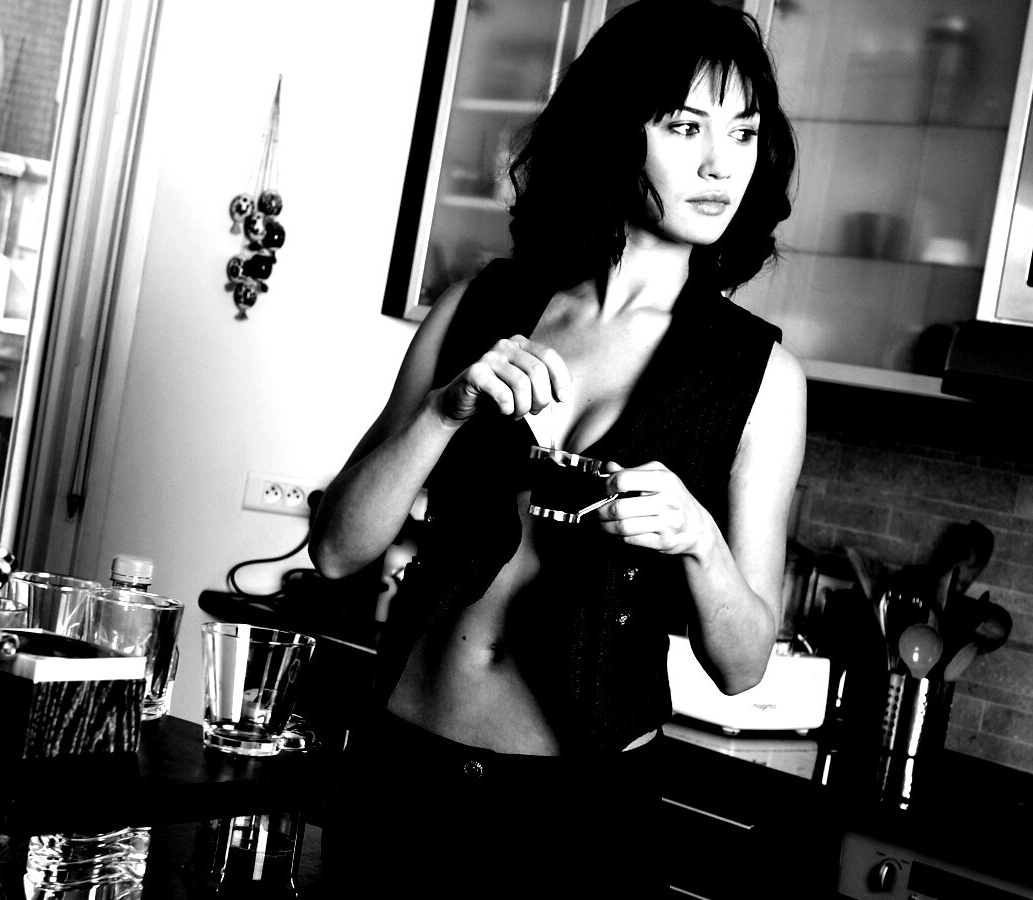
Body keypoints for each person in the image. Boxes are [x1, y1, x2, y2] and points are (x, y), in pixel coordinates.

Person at [309, 0, 803, 895]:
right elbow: (340, 548)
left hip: (578, 817)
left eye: (743, 132)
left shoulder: (760, 377)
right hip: (400, 776)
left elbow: (742, 664)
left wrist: (698, 539)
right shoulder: (481, 306)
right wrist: (444, 413)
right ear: (616, 132)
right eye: (684, 126)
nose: (718, 164)